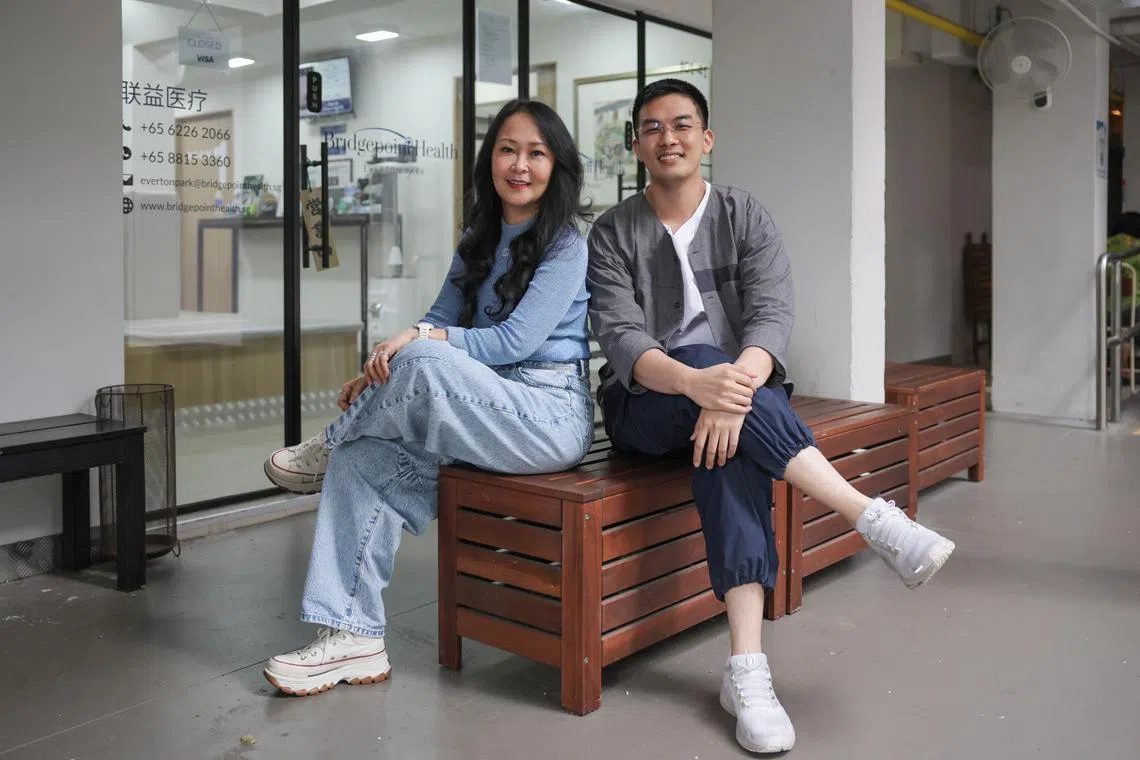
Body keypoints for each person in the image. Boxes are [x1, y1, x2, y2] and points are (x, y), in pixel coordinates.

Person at [586, 79, 955, 754]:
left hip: (739, 400)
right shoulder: (614, 232)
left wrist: (732, 390)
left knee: (725, 453)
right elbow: (625, 343)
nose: (668, 137)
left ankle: (747, 669)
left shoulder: (742, 214)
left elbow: (772, 314)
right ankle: (871, 516)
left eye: (682, 124)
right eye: (652, 128)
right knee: (704, 364)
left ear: (707, 139)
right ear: (637, 145)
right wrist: (703, 382)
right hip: (646, 404)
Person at [260, 99, 595, 697]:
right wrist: (388, 362)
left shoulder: (566, 244)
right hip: (476, 408)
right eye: (507, 150)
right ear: (490, 159)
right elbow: (438, 317)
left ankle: (331, 439)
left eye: (536, 153)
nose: (520, 165)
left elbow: (512, 340)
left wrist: (419, 342)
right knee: (365, 461)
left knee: (422, 359)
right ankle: (353, 637)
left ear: (557, 166)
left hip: (547, 414)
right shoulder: (479, 234)